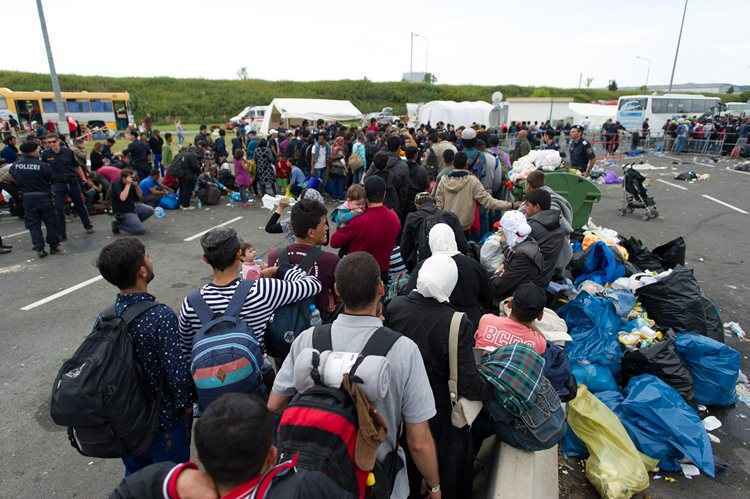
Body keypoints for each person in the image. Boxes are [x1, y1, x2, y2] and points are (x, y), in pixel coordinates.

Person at [268, 252, 442, 499]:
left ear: (337, 291)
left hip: (314, 478)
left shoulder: (307, 340)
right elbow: (418, 440)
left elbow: (274, 403)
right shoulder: (404, 349)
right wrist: (434, 485)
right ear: (381, 288)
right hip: (377, 478)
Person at [386, 254, 491, 499]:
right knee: (449, 472)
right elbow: (467, 380)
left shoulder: (396, 307)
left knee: (406, 469)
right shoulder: (456, 322)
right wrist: (489, 390)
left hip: (401, 403)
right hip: (440, 409)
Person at [111, 393, 352, 499]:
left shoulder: (175, 488)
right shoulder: (306, 488)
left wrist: (173, 480)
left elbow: (127, 492)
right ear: (271, 455)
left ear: (200, 461)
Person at [95, 237, 193, 476]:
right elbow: (177, 375)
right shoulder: (160, 316)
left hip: (127, 421)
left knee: (137, 478)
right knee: (170, 480)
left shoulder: (106, 316)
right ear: (141, 271)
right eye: (147, 256)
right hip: (163, 423)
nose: (151, 260)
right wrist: (185, 408)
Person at [178, 227, 321, 358]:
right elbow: (313, 285)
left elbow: (186, 350)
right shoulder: (263, 290)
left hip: (208, 381)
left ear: (205, 260)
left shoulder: (191, 302)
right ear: (239, 254)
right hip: (253, 375)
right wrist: (280, 270)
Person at [404, 223, 491, 328]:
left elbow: (410, 296)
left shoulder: (424, 267)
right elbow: (487, 296)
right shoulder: (473, 265)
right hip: (470, 321)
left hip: (436, 323)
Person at [267, 199, 340, 322]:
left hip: (280, 327)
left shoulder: (274, 256)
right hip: (316, 330)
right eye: (323, 224)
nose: (327, 227)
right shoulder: (331, 260)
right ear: (311, 232)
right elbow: (338, 295)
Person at [330, 176, 401, 285]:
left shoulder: (358, 220)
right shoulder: (394, 217)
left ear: (365, 195)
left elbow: (334, 242)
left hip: (357, 274)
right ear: (384, 193)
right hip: (381, 274)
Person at [434, 151, 510, 233]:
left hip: (447, 227)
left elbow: (438, 205)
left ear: (453, 164)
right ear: (466, 165)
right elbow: (489, 202)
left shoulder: (443, 180)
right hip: (465, 228)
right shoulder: (472, 181)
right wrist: (510, 205)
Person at [10, 141, 61, 258]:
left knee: (34, 224)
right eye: (37, 149)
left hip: (27, 197)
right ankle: (54, 246)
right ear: (33, 151)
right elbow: (51, 178)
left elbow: (12, 176)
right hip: (43, 196)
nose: (39, 151)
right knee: (50, 222)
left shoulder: (16, 165)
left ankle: (39, 249)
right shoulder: (42, 165)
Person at [42, 133, 95, 239]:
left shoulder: (68, 151)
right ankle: (62, 234)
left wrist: (84, 178)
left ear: (58, 141)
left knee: (80, 205)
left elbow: (77, 166)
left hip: (72, 182)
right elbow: (44, 169)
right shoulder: (45, 154)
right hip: (57, 184)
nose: (52, 144)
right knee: (59, 209)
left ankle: (88, 225)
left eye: (53, 141)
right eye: (49, 142)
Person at [473, 282, 548, 355]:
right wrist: (531, 324)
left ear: (510, 304)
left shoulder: (486, 320)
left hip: (477, 366)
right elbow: (543, 341)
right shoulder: (539, 343)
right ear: (540, 316)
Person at [400, 192, 468, 272]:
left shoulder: (412, 218)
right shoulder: (449, 216)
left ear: (417, 205)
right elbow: (462, 244)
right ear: (434, 203)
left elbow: (405, 248)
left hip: (426, 266)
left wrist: (412, 269)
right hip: (451, 264)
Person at [489, 210, 545, 300]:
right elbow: (513, 254)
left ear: (510, 233)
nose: (502, 234)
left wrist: (497, 273)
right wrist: (504, 245)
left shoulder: (523, 257)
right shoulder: (529, 241)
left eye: (503, 231)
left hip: (517, 300)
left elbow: (498, 287)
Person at [363, 137, 410, 224]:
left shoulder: (377, 160)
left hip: (373, 203)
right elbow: (404, 191)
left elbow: (366, 179)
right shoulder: (403, 166)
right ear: (399, 147)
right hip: (393, 205)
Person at [524, 189, 565, 285]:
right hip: (547, 276)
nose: (525, 208)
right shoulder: (557, 221)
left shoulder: (532, 227)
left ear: (537, 207)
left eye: (527, 205)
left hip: (532, 279)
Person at [111, 168, 155, 235]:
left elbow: (141, 196)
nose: (131, 179)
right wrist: (128, 185)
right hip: (122, 211)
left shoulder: (131, 184)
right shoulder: (116, 184)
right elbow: (122, 198)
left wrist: (136, 186)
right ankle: (118, 225)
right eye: (130, 178)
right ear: (123, 178)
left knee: (150, 210)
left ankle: (133, 223)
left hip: (132, 206)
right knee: (140, 230)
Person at [404, 145, 429, 218]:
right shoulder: (422, 170)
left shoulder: (401, 168)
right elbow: (426, 185)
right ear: (416, 155)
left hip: (404, 201)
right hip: (418, 202)